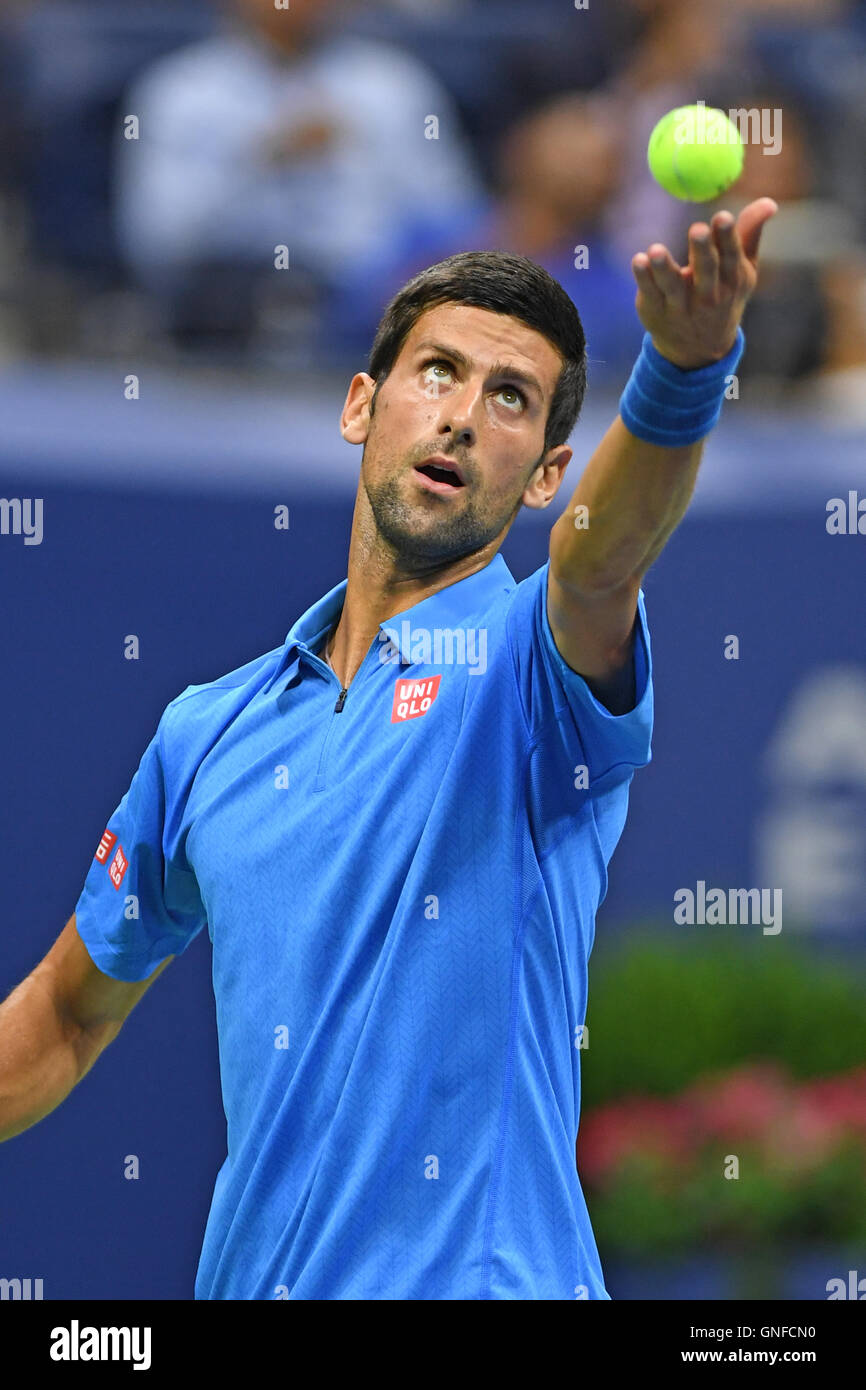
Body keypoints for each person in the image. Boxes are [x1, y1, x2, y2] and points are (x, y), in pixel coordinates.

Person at [0, 196, 777, 1299]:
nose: (460, 416)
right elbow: (68, 1012)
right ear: (361, 403)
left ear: (548, 473)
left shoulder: (527, 669)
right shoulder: (206, 731)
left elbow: (599, 565)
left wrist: (685, 369)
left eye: (508, 398)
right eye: (436, 373)